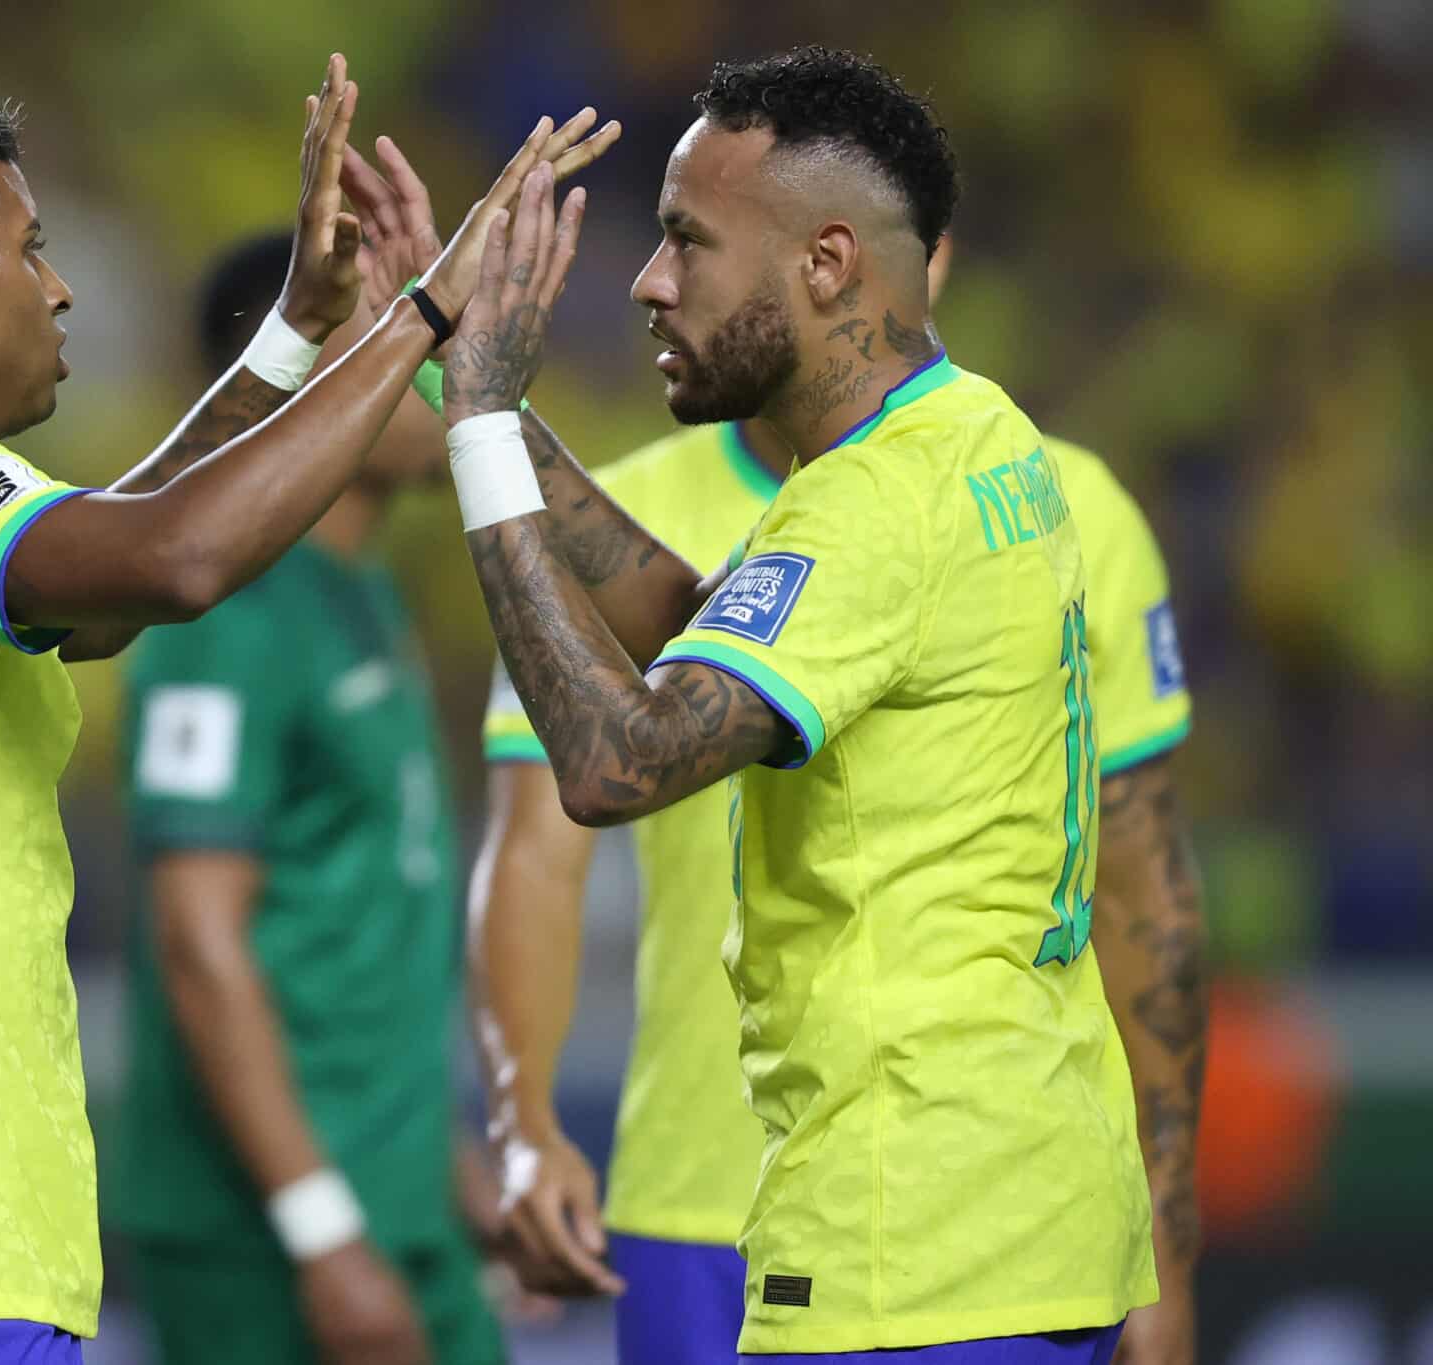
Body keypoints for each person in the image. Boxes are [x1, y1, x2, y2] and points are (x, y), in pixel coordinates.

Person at [0, 58, 612, 1364]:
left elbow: (119, 581)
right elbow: (177, 558)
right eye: (30, 247)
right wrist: (419, 316)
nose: (59, 287)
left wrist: (293, 334)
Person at [357, 45, 1157, 1361]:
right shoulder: (973, 435)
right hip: (1025, 1212)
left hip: (910, 1246)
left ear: (827, 264)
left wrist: (486, 427)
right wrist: (458, 373)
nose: (647, 280)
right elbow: (689, 620)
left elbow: (616, 764)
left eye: (687, 239)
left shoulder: (870, 508)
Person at [112, 233, 503, 1365]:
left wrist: (444, 1167)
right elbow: (197, 941)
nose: (445, 358)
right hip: (269, 1238)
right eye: (414, 326)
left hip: (393, 1201)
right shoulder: (222, 614)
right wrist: (321, 1233)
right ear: (318, 359)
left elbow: (352, 924)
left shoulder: (358, 589)